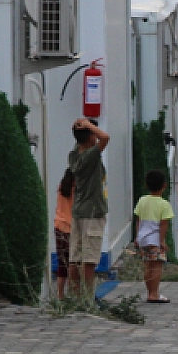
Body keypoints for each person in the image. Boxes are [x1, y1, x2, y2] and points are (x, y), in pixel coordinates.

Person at [66, 117, 109, 295]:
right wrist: (90, 126)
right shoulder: (90, 155)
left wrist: (82, 127)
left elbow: (85, 140)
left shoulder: (74, 155)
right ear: (91, 136)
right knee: (89, 259)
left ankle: (74, 295)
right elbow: (105, 138)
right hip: (92, 212)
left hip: (78, 211)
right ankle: (88, 297)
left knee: (75, 257)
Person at [133, 169, 173, 304]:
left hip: (143, 238)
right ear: (164, 186)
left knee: (147, 265)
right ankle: (154, 294)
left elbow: (138, 220)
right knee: (157, 265)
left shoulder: (142, 200)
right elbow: (163, 225)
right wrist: (162, 241)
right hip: (155, 239)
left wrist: (137, 237)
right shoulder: (164, 204)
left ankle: (150, 292)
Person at [52, 168, 75, 299]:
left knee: (62, 264)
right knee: (73, 263)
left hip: (59, 226)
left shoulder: (61, 188)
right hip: (71, 228)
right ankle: (72, 293)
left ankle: (60, 295)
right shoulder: (75, 191)